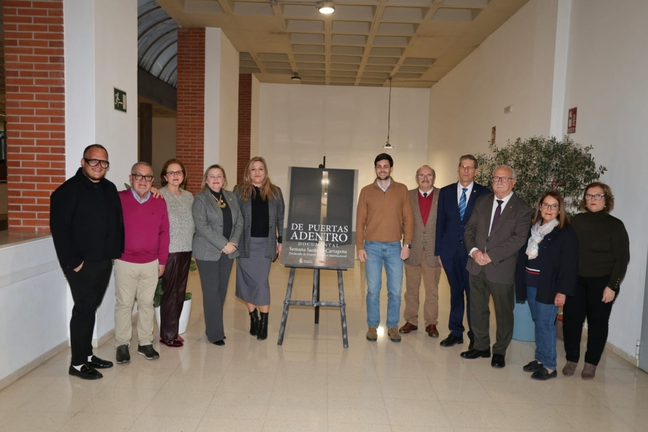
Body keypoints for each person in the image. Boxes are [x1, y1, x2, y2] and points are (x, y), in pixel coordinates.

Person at [50, 144, 124, 380]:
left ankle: (88, 355)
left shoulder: (109, 188)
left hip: (103, 260)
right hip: (81, 263)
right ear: (83, 162)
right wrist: (74, 262)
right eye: (94, 161)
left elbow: (116, 222)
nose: (99, 166)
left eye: (103, 162)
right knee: (83, 309)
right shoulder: (67, 191)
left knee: (90, 308)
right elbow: (60, 230)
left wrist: (114, 253)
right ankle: (77, 363)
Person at [461, 165, 533, 368]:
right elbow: (469, 229)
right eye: (496, 178)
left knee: (503, 313)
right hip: (476, 265)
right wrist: (474, 251)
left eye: (504, 178)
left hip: (501, 268)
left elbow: (518, 239)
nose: (499, 182)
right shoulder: (482, 202)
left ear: (513, 182)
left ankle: (499, 350)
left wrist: (490, 256)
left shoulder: (523, 208)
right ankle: (481, 346)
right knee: (477, 308)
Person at [562, 182, 629, 380]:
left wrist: (612, 286)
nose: (593, 199)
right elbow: (568, 251)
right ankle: (572, 359)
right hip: (576, 281)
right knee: (571, 322)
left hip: (602, 283)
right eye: (589, 195)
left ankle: (591, 363)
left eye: (598, 195)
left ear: (606, 200)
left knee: (597, 324)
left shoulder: (615, 225)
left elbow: (622, 259)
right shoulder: (577, 221)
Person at [515, 191, 578, 380]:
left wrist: (562, 292)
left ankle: (550, 366)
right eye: (546, 205)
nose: (549, 209)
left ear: (559, 210)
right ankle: (540, 359)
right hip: (531, 283)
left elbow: (569, 265)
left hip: (549, 287)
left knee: (546, 324)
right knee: (539, 322)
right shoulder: (534, 229)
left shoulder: (565, 232)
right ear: (540, 207)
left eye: (554, 206)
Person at [114, 162, 170, 363]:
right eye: (139, 176)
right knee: (124, 304)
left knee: (147, 304)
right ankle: (122, 344)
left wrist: (162, 261)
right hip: (125, 261)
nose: (143, 180)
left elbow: (164, 233)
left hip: (151, 263)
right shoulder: (119, 199)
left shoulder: (159, 201)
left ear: (152, 180)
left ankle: (145, 343)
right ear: (131, 178)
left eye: (148, 177)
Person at [356, 153, 414, 343]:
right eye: (379, 166)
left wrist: (407, 244)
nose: (382, 169)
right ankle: (372, 325)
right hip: (371, 247)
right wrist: (359, 246)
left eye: (386, 166)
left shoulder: (402, 190)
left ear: (391, 168)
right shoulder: (366, 191)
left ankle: (393, 326)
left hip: (395, 247)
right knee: (373, 290)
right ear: (375, 168)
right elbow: (360, 221)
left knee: (395, 291)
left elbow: (409, 219)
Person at [436, 155, 490, 349]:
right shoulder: (446, 192)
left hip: (472, 252)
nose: (466, 170)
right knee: (455, 291)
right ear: (458, 169)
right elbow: (440, 222)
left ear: (476, 171)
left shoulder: (484, 193)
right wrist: (438, 251)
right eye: (463, 166)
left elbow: (486, 225)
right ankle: (456, 332)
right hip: (449, 251)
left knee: (473, 294)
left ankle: (475, 335)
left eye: (470, 167)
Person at [235, 157, 285, 341]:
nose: (257, 172)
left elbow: (281, 218)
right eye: (253, 169)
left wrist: (281, 241)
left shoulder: (275, 191)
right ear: (248, 173)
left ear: (265, 171)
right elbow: (233, 216)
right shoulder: (239, 191)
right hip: (245, 244)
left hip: (265, 244)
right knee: (248, 282)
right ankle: (253, 318)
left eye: (260, 169)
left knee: (261, 283)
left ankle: (264, 322)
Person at [193, 165, 243, 345]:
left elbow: (239, 222)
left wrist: (233, 243)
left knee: (221, 291)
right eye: (211, 176)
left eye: (219, 176)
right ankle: (215, 334)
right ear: (206, 180)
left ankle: (213, 327)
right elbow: (202, 226)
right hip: (207, 252)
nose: (215, 179)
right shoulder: (200, 199)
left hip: (228, 252)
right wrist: (223, 244)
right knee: (211, 292)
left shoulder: (231, 197)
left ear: (224, 180)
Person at [399, 165, 442, 338]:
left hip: (434, 252)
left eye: (429, 175)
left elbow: (447, 224)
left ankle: (431, 323)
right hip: (412, 250)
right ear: (416, 178)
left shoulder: (443, 196)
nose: (425, 178)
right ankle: (411, 320)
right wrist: (404, 244)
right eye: (422, 175)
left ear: (434, 178)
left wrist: (443, 251)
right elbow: (401, 221)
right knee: (411, 289)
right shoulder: (408, 196)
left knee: (432, 291)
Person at [158, 159, 194, 347]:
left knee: (179, 293)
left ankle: (172, 330)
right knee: (170, 293)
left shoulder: (188, 196)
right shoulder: (159, 195)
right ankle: (167, 335)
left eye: (178, 172)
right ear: (165, 176)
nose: (175, 175)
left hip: (186, 249)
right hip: (170, 251)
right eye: (171, 172)